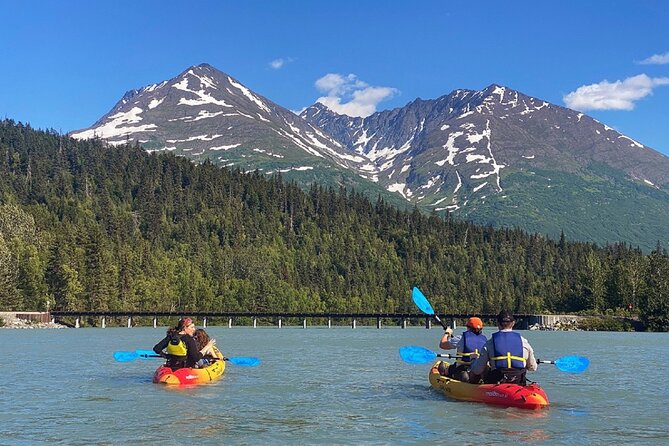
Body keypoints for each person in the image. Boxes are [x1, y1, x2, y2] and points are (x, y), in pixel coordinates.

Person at [470, 309, 537, 385]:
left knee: (485, 367)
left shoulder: (489, 343)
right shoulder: (524, 342)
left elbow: (477, 370)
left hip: (497, 383)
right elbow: (533, 368)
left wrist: (473, 359)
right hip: (518, 382)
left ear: (498, 323)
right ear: (513, 323)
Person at [437, 317, 487, 383]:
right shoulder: (485, 340)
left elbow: (442, 345)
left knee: (444, 368)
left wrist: (447, 333)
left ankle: (445, 373)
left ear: (468, 327)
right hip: (478, 369)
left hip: (462, 368)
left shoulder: (460, 338)